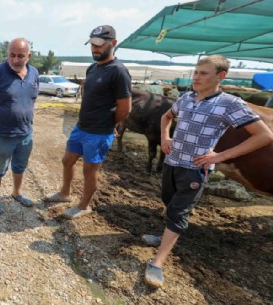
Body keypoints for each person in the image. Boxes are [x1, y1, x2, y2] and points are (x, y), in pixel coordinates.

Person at [143, 54, 273, 288]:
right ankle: (163, 237)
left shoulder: (230, 103)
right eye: (195, 72)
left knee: (180, 210)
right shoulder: (185, 98)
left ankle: (158, 262)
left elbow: (265, 136)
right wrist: (165, 137)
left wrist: (221, 156)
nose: (196, 77)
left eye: (203, 73)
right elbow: (166, 117)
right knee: (169, 201)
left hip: (195, 169)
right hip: (172, 163)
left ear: (220, 76)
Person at [44, 25, 132, 220]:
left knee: (89, 170)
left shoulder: (119, 72)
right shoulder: (92, 68)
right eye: (92, 44)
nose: (95, 49)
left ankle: (84, 205)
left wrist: (110, 125)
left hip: (99, 132)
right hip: (82, 127)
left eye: (99, 45)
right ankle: (64, 194)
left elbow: (125, 108)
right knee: (67, 160)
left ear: (113, 43)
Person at [0, 38, 39, 215]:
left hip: (26, 132)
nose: (15, 60)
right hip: (2, 133)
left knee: (20, 165)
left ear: (29, 55)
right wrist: (0, 116)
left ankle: (17, 192)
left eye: (20, 56)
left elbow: (31, 99)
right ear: (7, 54)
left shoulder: (34, 73)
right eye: (12, 55)